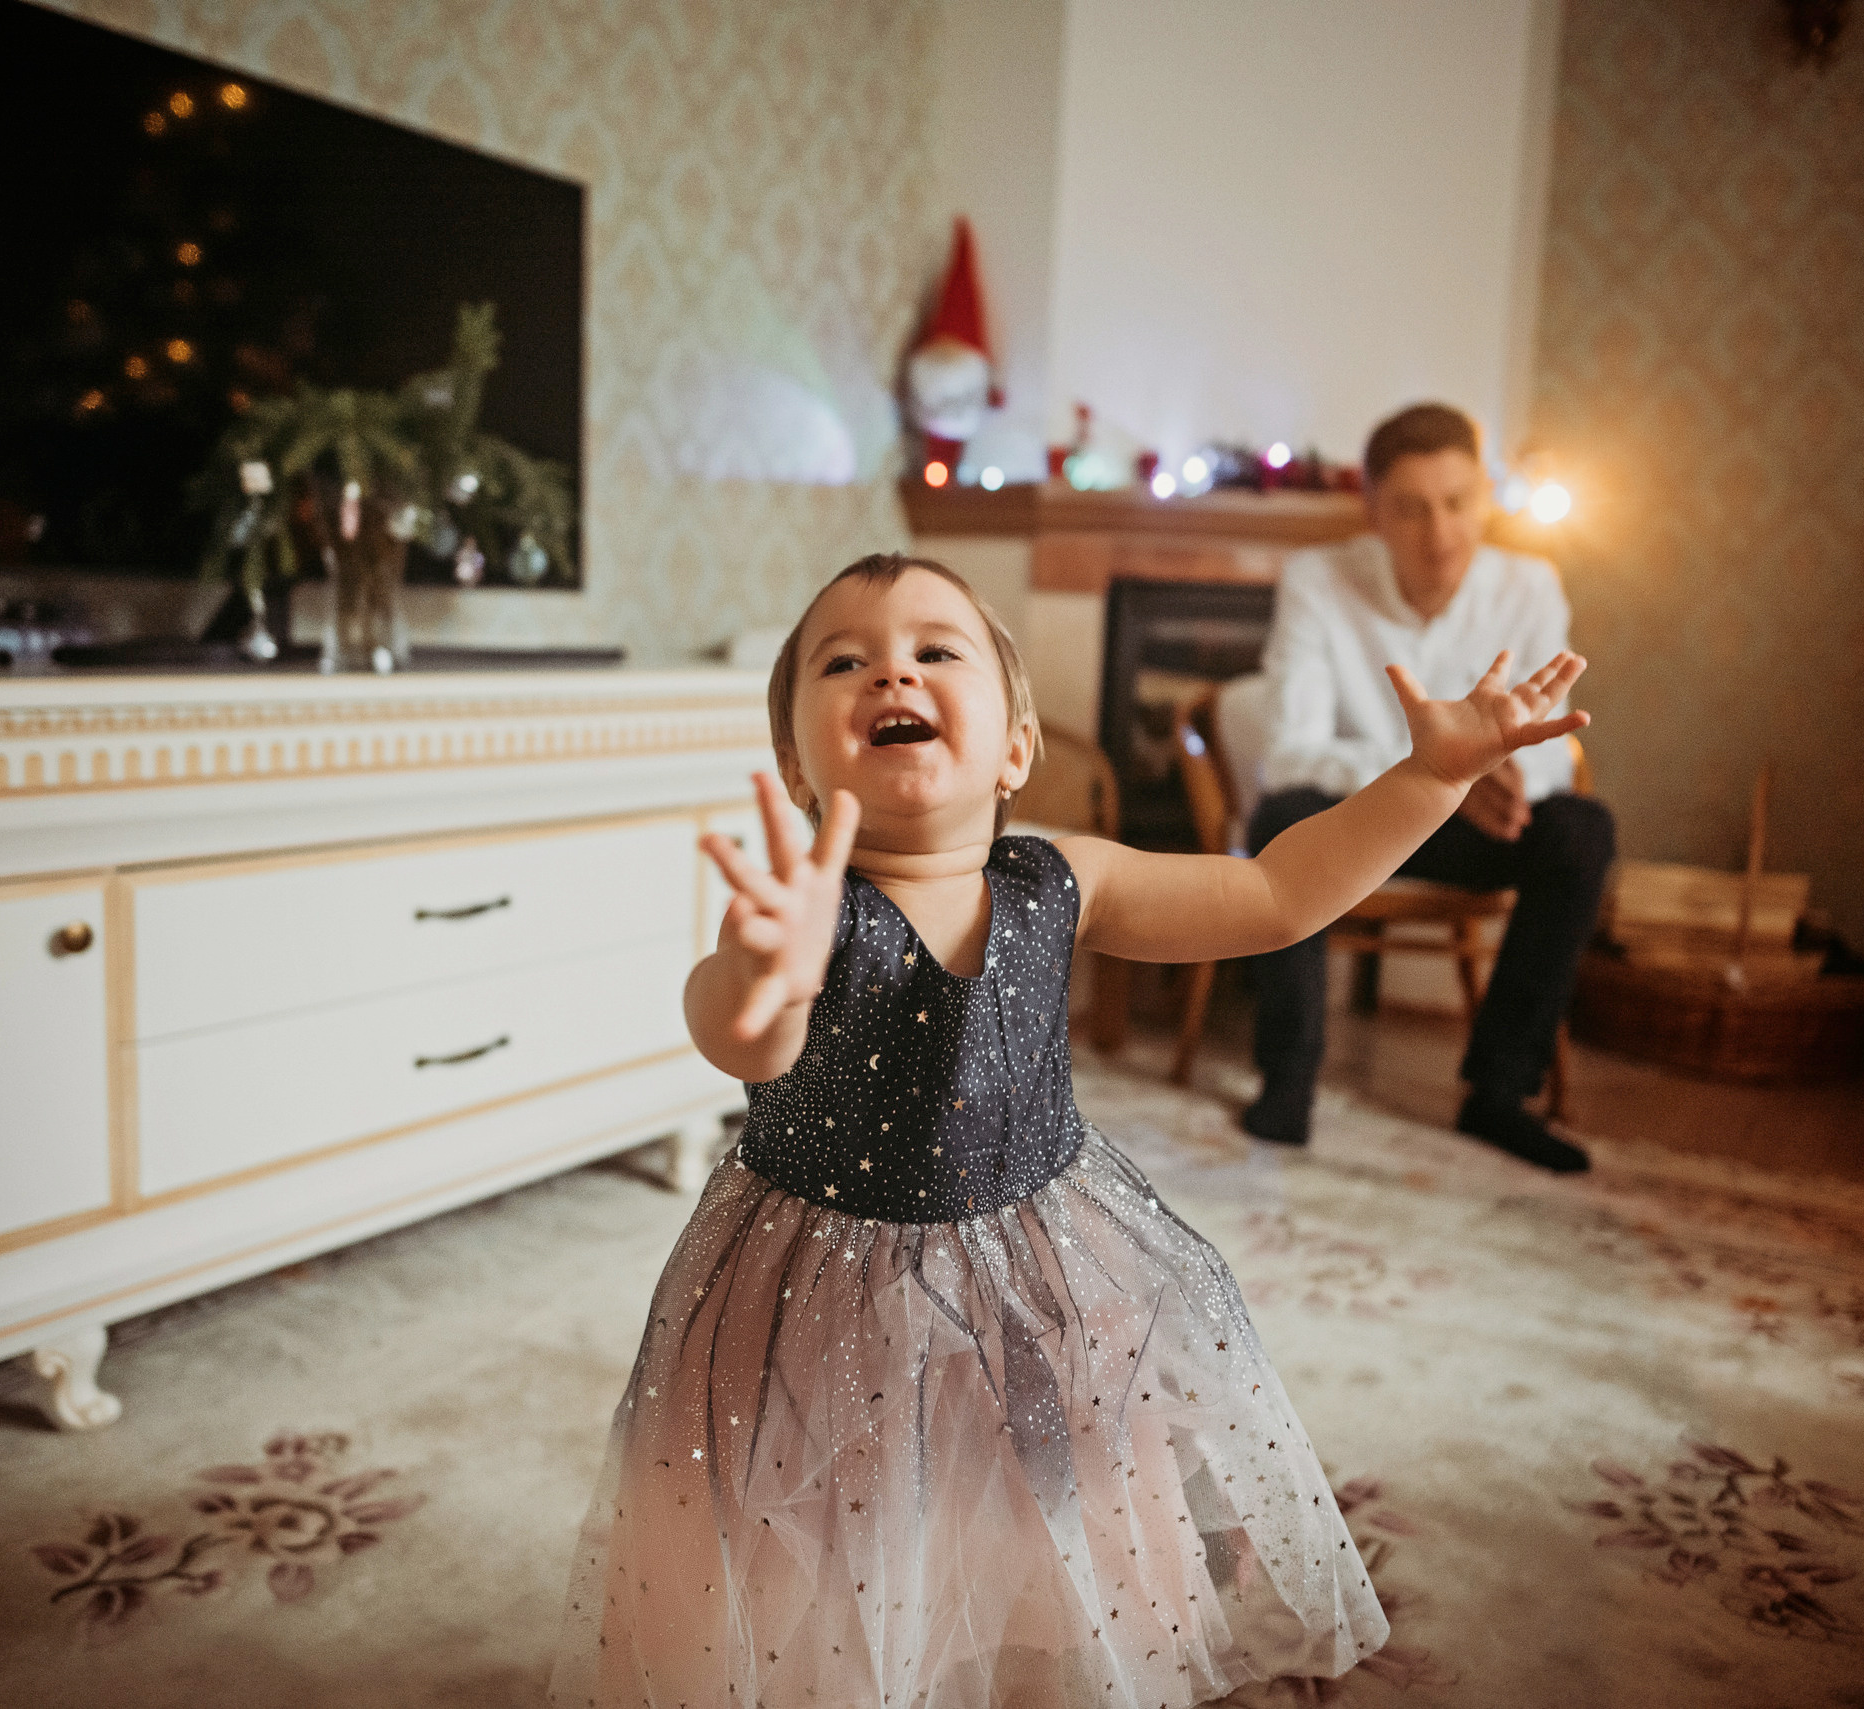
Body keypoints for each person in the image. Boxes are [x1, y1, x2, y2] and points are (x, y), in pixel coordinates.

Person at [550, 552, 1588, 1707]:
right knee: (838, 1557)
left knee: (1045, 1519)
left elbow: (1276, 895)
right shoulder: (806, 916)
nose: (891, 665)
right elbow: (743, 1034)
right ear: (797, 764)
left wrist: (1431, 779)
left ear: (1014, 747)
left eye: (935, 650)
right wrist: (763, 972)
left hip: (1038, 1264)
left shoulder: (1064, 878)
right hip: (819, 1292)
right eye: (844, 660)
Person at [1241, 402, 1614, 1173]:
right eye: (1411, 509)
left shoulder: (1532, 585)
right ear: (1371, 508)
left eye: (1457, 504)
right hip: (1360, 824)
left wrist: (1502, 776)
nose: (1439, 534)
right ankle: (1288, 1078)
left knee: (1583, 828)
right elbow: (1291, 754)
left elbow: (1553, 746)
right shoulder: (1318, 579)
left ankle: (1499, 1095)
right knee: (1281, 815)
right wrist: (1436, 772)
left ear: (1484, 498)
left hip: (1482, 829)